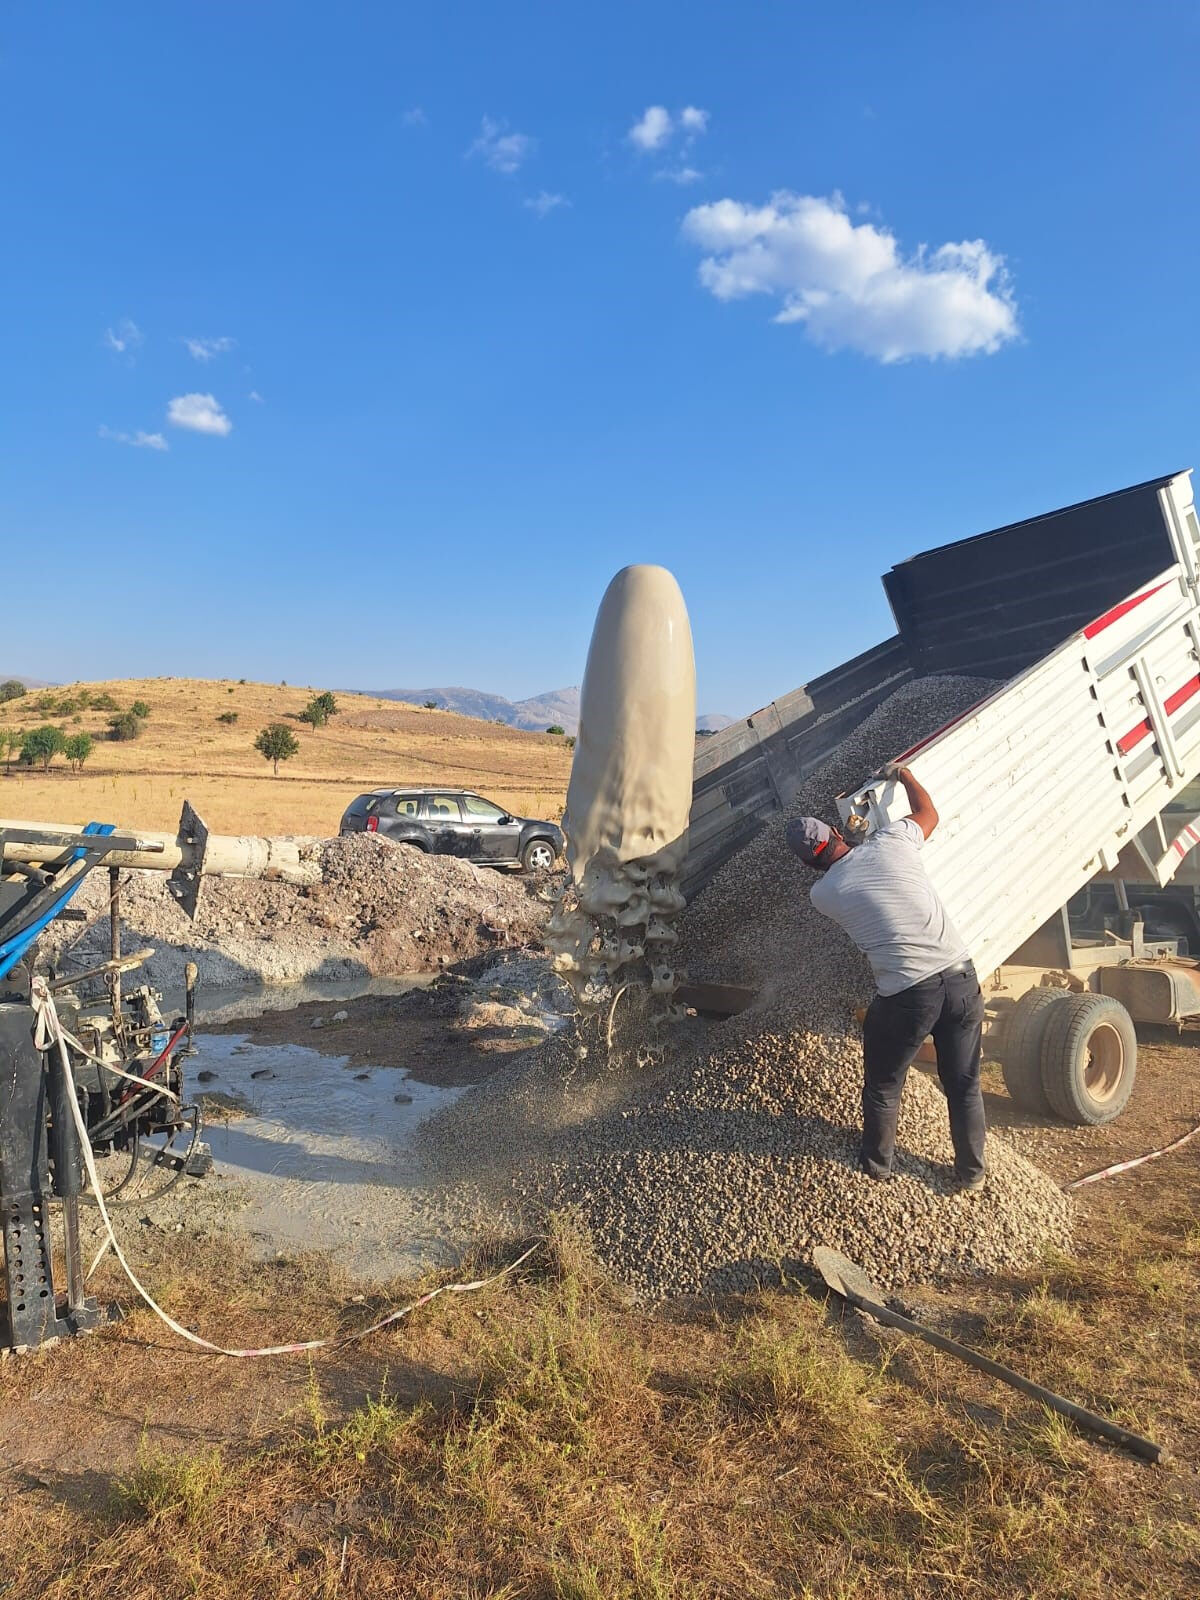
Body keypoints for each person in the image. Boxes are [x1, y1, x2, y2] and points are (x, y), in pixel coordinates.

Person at [785, 765, 987, 1191]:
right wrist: (905, 776)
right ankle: (971, 1174)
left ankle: (878, 1166)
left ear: (806, 866)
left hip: (908, 995)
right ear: (837, 834)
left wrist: (851, 849)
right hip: (961, 977)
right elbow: (928, 813)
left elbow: (850, 878)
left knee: (883, 1083)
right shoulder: (894, 841)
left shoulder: (822, 894)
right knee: (964, 1083)